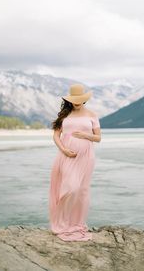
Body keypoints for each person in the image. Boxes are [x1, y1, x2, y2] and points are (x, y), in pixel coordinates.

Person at [49, 83, 101, 241]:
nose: (77, 102)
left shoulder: (92, 115)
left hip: (86, 157)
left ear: (84, 99)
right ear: (70, 100)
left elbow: (98, 138)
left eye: (79, 99)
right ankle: (63, 223)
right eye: (74, 99)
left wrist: (85, 135)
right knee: (70, 188)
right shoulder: (64, 115)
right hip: (66, 156)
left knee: (82, 191)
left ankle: (77, 223)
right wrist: (64, 150)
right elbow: (56, 136)